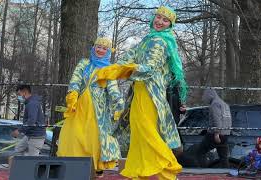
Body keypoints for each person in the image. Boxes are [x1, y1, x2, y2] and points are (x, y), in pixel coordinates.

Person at [97, 6, 187, 179]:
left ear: (170, 24)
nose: (160, 22)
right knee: (138, 135)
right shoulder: (148, 39)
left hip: (150, 94)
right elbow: (129, 56)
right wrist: (115, 67)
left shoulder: (160, 42)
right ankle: (139, 175)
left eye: (165, 20)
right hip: (139, 92)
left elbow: (149, 69)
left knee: (147, 133)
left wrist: (124, 70)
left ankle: (169, 169)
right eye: (158, 17)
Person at [57, 37, 124, 176]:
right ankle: (73, 166)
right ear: (94, 48)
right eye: (98, 47)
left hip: (97, 112)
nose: (100, 50)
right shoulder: (84, 63)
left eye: (104, 48)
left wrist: (119, 104)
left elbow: (113, 89)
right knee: (74, 135)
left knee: (93, 139)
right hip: (80, 107)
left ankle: (94, 169)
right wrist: (73, 94)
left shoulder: (109, 69)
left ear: (108, 52)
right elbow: (75, 80)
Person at [9, 85, 46, 167]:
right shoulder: (30, 102)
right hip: (30, 134)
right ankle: (19, 169)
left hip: (36, 136)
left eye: (19, 94)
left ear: (24, 92)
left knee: (32, 160)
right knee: (18, 149)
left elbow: (31, 121)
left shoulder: (32, 103)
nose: (18, 97)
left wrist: (19, 130)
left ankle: (27, 172)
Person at [197, 89, 232, 168]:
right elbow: (228, 119)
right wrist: (226, 132)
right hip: (225, 134)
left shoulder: (215, 104)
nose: (204, 99)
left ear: (209, 95)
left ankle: (202, 171)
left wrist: (217, 133)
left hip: (214, 134)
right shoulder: (224, 104)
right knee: (223, 158)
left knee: (200, 152)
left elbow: (217, 119)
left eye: (205, 96)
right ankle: (225, 174)